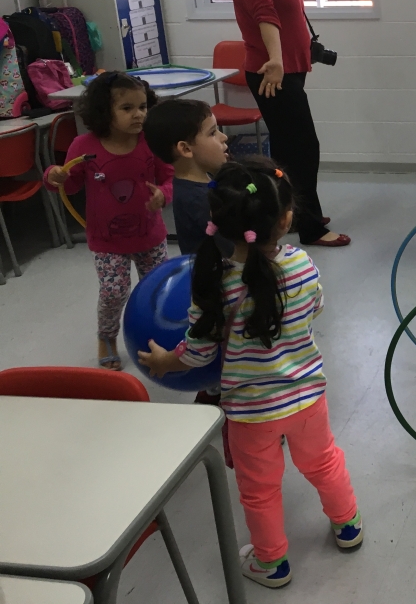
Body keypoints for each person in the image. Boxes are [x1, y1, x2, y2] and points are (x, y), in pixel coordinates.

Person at [137, 158, 362, 589]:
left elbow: (198, 354)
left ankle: (272, 563)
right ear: (286, 220)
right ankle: (347, 524)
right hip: (308, 397)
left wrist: (166, 362)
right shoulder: (302, 264)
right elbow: (315, 306)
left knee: (260, 491)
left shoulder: (214, 284)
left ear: (218, 220)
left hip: (251, 413)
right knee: (324, 462)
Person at [221, 0, 348, 248]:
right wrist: (276, 61)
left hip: (285, 72)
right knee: (304, 148)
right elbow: (265, 17)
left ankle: (289, 212)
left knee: (287, 151)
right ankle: (311, 227)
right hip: (272, 74)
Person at [43, 72, 173, 371]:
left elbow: (170, 177)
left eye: (143, 106)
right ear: (104, 111)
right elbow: (68, 184)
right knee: (114, 292)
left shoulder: (151, 143)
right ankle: (107, 336)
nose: (138, 114)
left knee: (156, 289)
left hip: (150, 235)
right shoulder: (83, 146)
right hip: (106, 240)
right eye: (127, 108)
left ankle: (155, 331)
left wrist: (163, 195)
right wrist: (54, 175)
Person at [143, 99, 232, 257]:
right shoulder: (200, 200)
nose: (224, 137)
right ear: (185, 149)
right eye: (212, 133)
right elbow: (234, 251)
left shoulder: (200, 180)